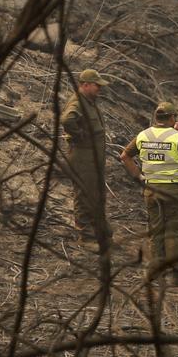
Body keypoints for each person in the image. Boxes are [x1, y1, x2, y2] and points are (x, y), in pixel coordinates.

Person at [120, 101, 178, 276]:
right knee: (174, 232)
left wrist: (139, 176)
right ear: (172, 117)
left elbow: (125, 156)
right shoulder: (177, 137)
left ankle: (156, 271)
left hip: (151, 190)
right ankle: (177, 275)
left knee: (156, 230)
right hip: (173, 191)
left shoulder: (143, 135)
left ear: (156, 117)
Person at [60, 68, 111, 251]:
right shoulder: (78, 103)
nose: (99, 89)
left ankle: (98, 231)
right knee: (84, 196)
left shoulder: (90, 102)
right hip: (83, 159)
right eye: (97, 85)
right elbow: (67, 120)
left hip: (93, 160)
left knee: (96, 195)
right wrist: (79, 135)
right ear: (85, 85)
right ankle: (85, 237)